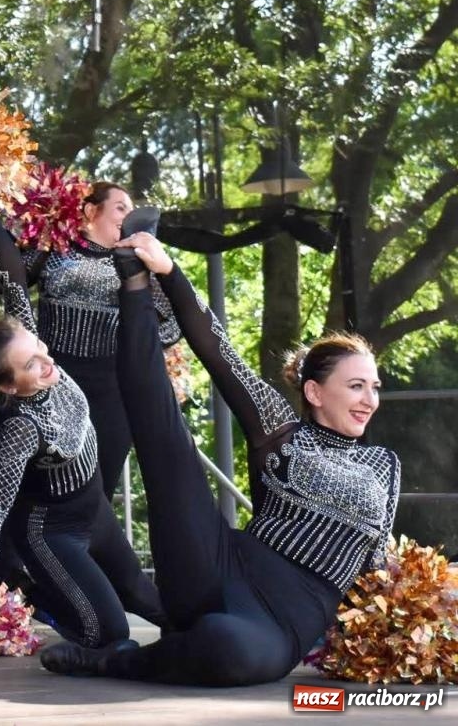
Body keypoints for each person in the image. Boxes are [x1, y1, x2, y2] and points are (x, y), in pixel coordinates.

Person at [40, 233, 400, 685]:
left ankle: (117, 660)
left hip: (279, 623)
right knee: (167, 441)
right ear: (314, 391)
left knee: (230, 648)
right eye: (356, 386)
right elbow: (218, 350)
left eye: (374, 387)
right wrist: (168, 272)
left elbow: (377, 561)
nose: (370, 400)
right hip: (217, 564)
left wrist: (394, 638)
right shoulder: (281, 432)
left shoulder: (383, 464)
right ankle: (132, 283)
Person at [0, 206, 164, 651]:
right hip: (53, 532)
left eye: (38, 346)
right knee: (108, 634)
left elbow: (13, 277)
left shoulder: (37, 352)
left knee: (155, 604)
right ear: (8, 387)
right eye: (30, 365)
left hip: (95, 513)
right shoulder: (19, 429)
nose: (46, 361)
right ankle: (29, 595)